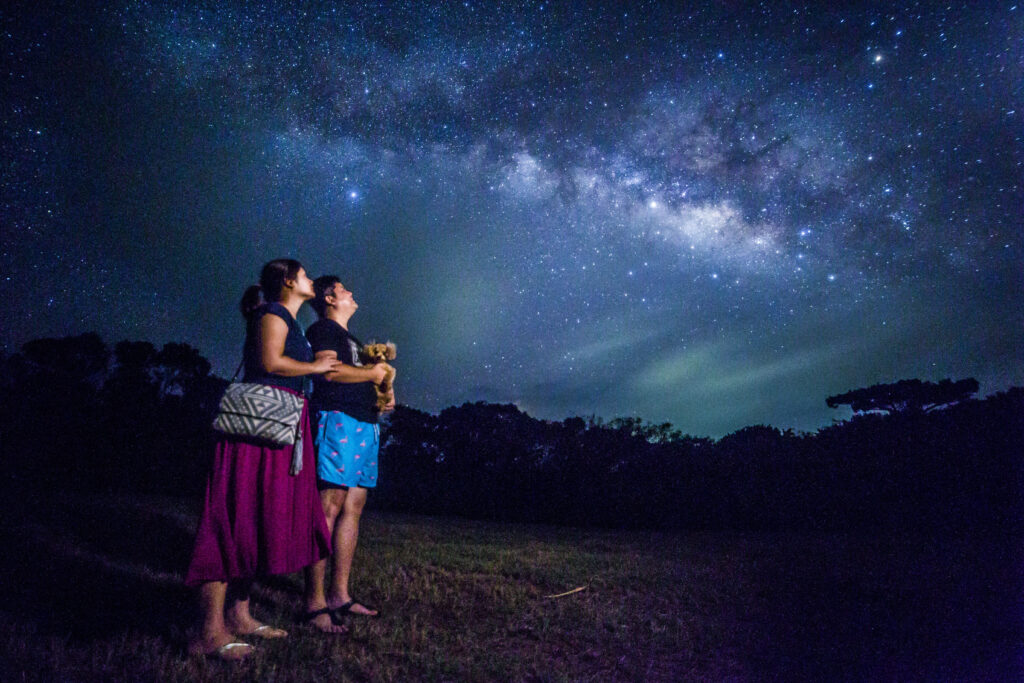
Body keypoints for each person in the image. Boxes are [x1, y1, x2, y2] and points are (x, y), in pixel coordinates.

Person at [185, 259, 341, 660]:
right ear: (289, 281)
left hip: (281, 427)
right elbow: (270, 363)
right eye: (305, 274)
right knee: (233, 518)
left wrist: (315, 365)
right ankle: (207, 631)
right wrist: (315, 366)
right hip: (257, 429)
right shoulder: (272, 313)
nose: (310, 279)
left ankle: (239, 616)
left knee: (254, 519)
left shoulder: (293, 322)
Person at [302, 275, 394, 630]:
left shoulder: (352, 339)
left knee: (353, 506)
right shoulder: (324, 330)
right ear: (329, 297)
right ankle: (315, 602)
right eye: (344, 289)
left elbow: (362, 375)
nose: (352, 292)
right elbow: (329, 371)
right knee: (329, 505)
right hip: (337, 421)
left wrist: (381, 393)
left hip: (365, 424)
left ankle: (340, 593)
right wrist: (371, 374)